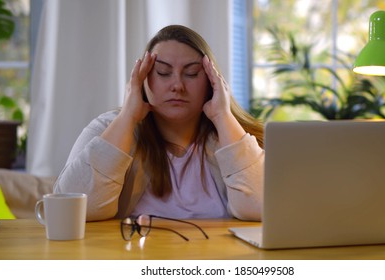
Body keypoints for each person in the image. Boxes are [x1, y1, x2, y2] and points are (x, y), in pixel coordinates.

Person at [54, 25, 264, 222]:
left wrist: (222, 116)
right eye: (163, 73)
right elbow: (70, 211)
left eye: (191, 73)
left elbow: (259, 208)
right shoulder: (107, 128)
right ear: (143, 78)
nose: (177, 86)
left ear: (212, 81)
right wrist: (128, 116)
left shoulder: (234, 136)